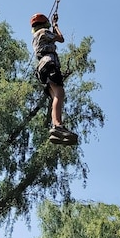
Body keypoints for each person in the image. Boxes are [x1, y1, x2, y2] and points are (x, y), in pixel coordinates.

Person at [30, 12, 78, 145]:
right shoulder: (45, 31)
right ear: (45, 24)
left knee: (56, 96)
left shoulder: (36, 36)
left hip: (41, 68)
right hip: (49, 63)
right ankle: (57, 126)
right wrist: (56, 26)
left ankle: (57, 126)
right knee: (60, 93)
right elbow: (61, 39)